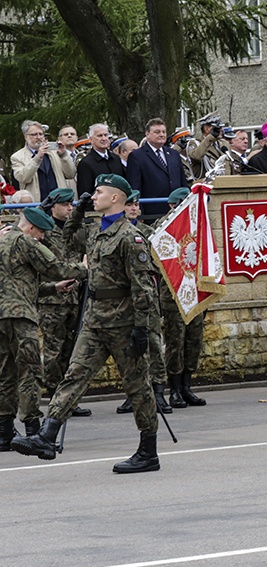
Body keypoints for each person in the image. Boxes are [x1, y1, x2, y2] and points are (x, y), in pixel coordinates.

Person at [12, 173, 161, 473]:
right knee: (74, 375)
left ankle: (148, 451)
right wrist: (79, 209)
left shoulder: (130, 237)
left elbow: (143, 288)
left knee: (137, 386)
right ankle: (47, 434)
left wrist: (142, 328)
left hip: (122, 321)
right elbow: (66, 237)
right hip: (94, 318)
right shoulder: (95, 230)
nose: (94, 196)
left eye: (99, 192)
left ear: (116, 198)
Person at [0, 208, 86, 452]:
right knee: (30, 371)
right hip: (21, 317)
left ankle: (4, 431)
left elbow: (21, 284)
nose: (42, 238)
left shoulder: (2, 240)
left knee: (5, 372)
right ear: (30, 228)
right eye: (41, 233)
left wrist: (54, 288)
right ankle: (32, 428)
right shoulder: (24, 242)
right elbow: (55, 266)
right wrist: (83, 268)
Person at [36, 188, 92, 417]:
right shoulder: (45, 231)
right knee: (53, 351)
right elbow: (25, 226)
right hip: (51, 300)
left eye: (72, 204)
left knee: (71, 350)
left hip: (73, 297)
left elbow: (84, 244)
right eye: (65, 204)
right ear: (53, 206)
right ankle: (53, 397)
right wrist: (41, 207)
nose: (69, 208)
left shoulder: (75, 229)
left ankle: (68, 399)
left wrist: (79, 212)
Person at [117, 190, 171, 415]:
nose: (133, 208)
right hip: (123, 301)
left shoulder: (149, 233)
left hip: (146, 298)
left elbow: (161, 262)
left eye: (136, 205)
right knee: (129, 351)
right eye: (129, 204)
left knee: (155, 346)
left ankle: (159, 392)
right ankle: (133, 394)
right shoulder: (113, 233)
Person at [156, 187, 208, 410]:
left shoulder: (199, 226)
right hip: (174, 292)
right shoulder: (164, 226)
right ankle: (175, 388)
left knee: (194, 339)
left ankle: (187, 386)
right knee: (175, 340)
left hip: (194, 289)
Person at [11, 120, 77, 202]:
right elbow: (23, 178)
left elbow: (71, 174)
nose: (38, 137)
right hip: (37, 204)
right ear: (25, 137)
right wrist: (37, 158)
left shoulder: (54, 152)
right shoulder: (17, 156)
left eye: (41, 134)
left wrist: (63, 155)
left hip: (58, 203)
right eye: (34, 134)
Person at [126, 118, 190, 198]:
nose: (162, 135)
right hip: (152, 206)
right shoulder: (137, 156)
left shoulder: (174, 154)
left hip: (177, 206)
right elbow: (135, 187)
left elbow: (182, 182)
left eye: (164, 132)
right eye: (157, 132)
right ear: (147, 134)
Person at [76, 123, 126, 197]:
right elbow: (85, 192)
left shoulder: (116, 159)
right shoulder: (85, 163)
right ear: (91, 140)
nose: (104, 139)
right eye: (99, 136)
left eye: (106, 135)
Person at [188, 112, 225, 179]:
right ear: (207, 129)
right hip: (206, 186)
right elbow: (196, 157)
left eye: (221, 127)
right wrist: (210, 137)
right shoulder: (195, 143)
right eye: (217, 128)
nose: (221, 130)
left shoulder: (224, 144)